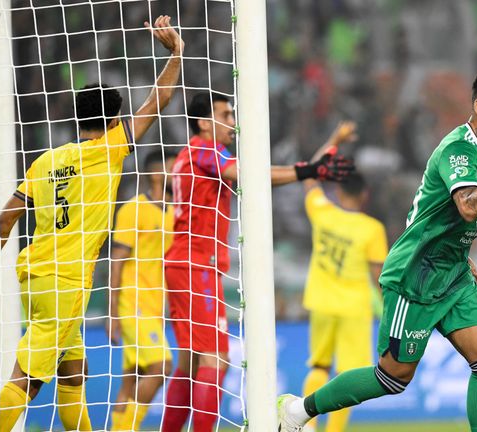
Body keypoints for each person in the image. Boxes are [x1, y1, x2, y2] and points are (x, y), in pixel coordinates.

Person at [278, 67, 477, 432]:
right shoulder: (459, 149)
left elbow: (433, 213)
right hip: (416, 276)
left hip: (452, 272)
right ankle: (298, 411)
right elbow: (469, 206)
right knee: (393, 377)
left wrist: (460, 251)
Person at [0, 15, 183, 431]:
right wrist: (176, 54)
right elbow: (158, 100)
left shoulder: (46, 160)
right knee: (28, 379)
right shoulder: (109, 150)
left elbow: (6, 216)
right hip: (67, 281)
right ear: (112, 121)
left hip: (33, 275)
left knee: (75, 372)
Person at [160, 92, 354, 432]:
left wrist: (314, 163)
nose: (233, 123)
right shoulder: (206, 150)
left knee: (189, 363)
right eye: (226, 115)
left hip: (184, 264)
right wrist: (308, 169)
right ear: (204, 123)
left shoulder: (191, 155)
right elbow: (247, 174)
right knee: (215, 360)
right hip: (196, 266)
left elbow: (260, 174)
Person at [300, 123, 389, 432]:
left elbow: (309, 174)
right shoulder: (371, 229)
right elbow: (379, 275)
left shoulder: (323, 213)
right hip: (354, 306)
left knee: (319, 365)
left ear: (338, 190)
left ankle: (305, 424)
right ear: (364, 195)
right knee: (351, 373)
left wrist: (333, 140)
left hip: (321, 300)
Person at [107, 149, 177, 431]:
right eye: (175, 168)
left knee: (131, 377)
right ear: (156, 173)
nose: (180, 173)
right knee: (162, 367)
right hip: (131, 302)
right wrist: (112, 312)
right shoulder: (133, 209)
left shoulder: (176, 212)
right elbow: (116, 261)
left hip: (154, 306)